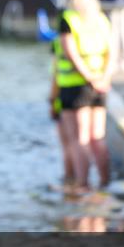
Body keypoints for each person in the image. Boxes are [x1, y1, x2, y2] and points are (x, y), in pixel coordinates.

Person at [56, 0, 114, 194]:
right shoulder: (101, 19)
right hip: (100, 84)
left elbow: (71, 54)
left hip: (75, 85)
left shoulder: (68, 19)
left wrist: (89, 78)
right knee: (97, 137)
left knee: (79, 138)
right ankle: (105, 183)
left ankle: (83, 184)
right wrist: (103, 78)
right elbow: (112, 52)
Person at [49, 37, 76, 192]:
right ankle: (102, 183)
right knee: (90, 139)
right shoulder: (98, 27)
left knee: (69, 142)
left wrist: (52, 101)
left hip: (66, 93)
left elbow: (56, 74)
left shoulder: (59, 41)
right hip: (95, 89)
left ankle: (70, 180)